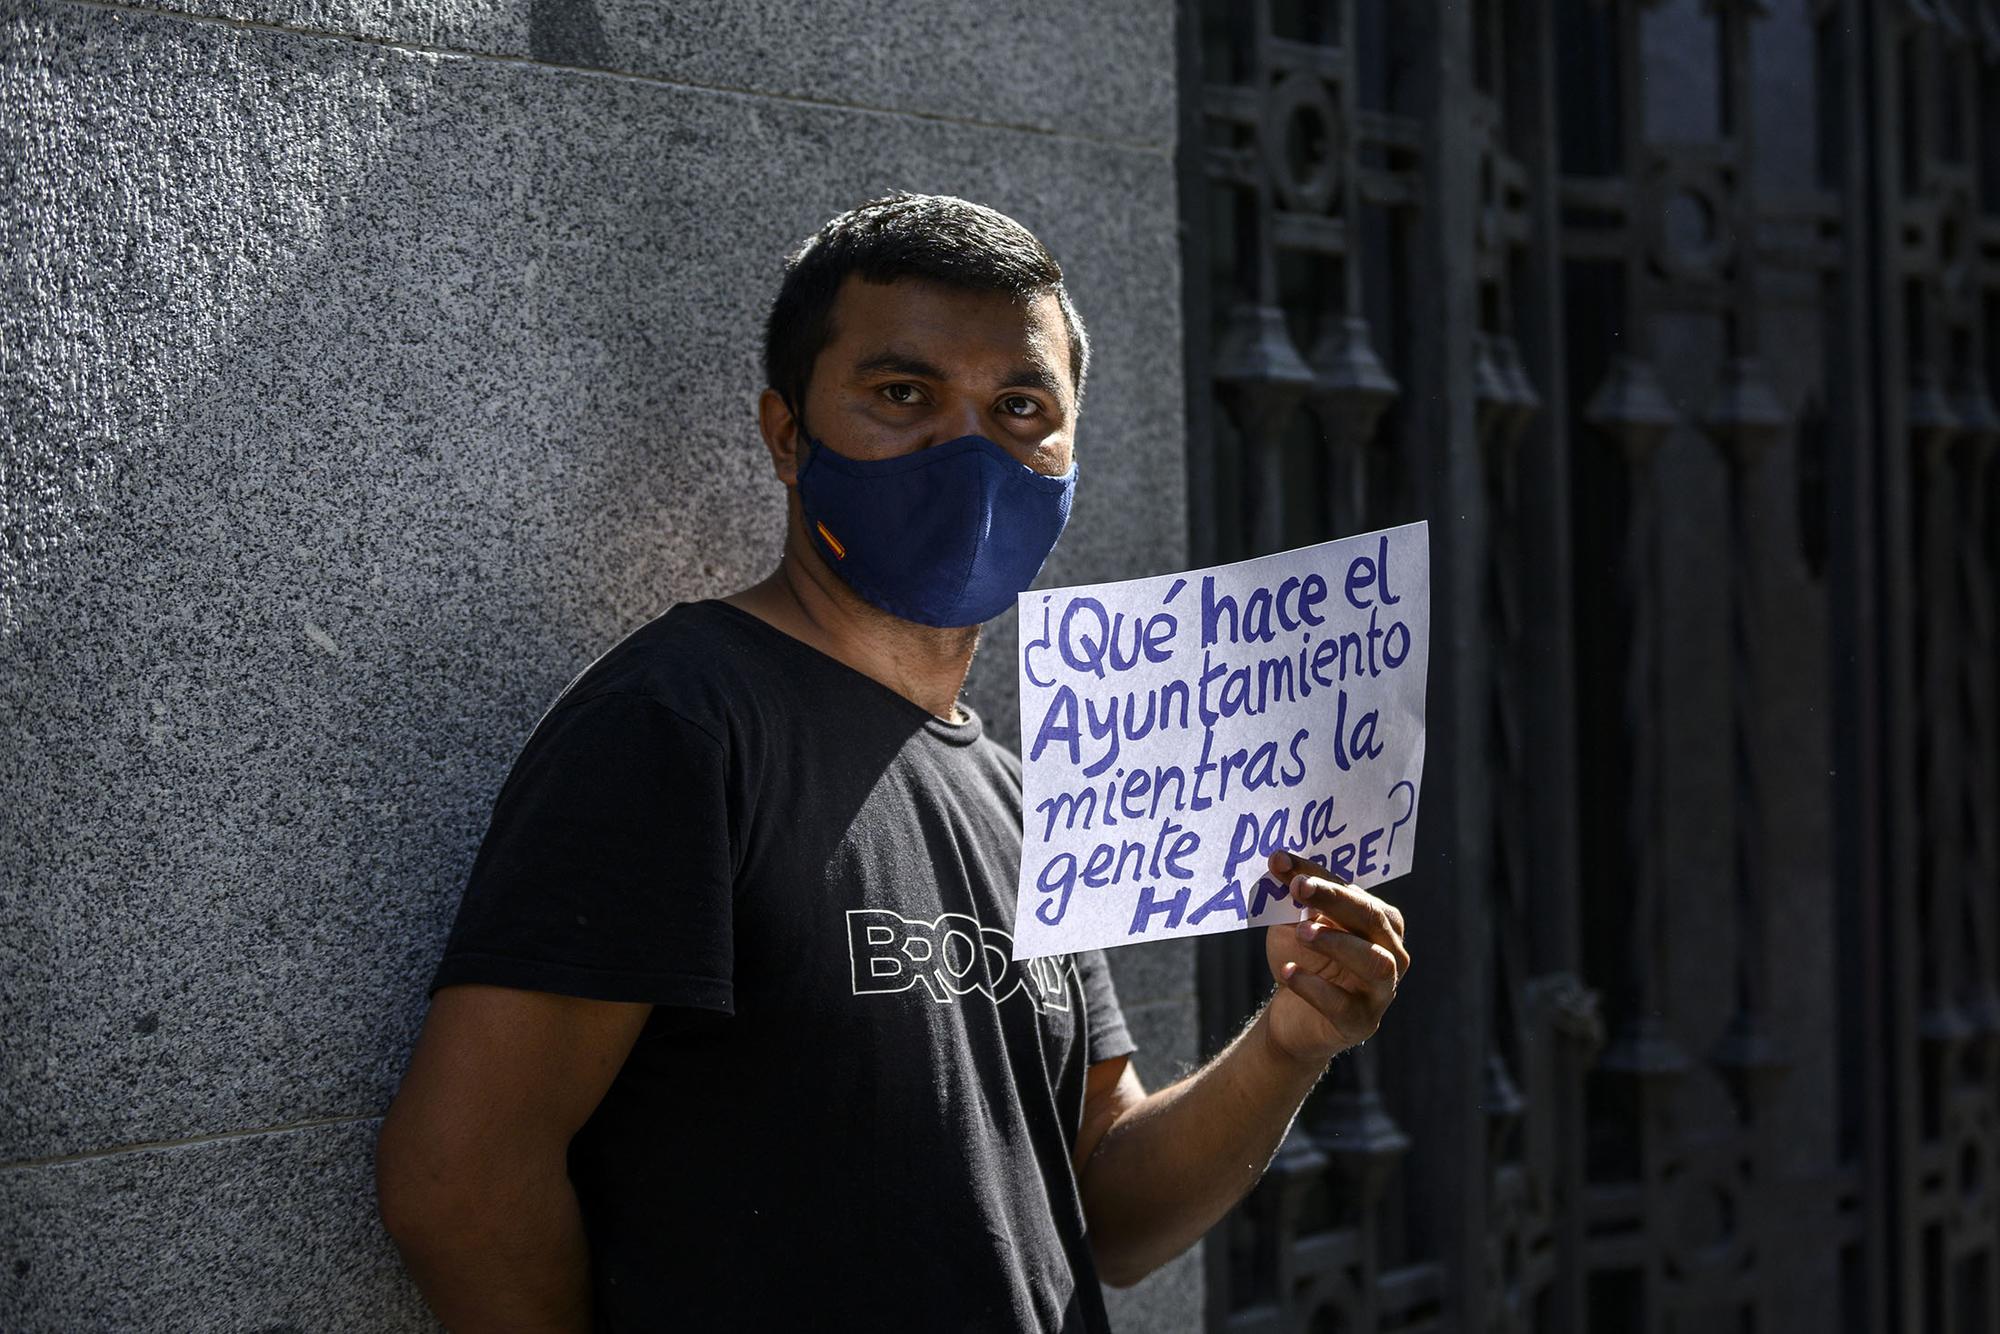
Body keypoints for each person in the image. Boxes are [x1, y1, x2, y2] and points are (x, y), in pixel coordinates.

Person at [374, 191, 1410, 1333]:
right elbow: (458, 1180)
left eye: (1019, 406)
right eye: (903, 394)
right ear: (785, 433)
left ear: (1066, 454)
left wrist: (1287, 1040)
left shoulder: (1021, 798)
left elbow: (1103, 1209)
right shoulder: (680, 720)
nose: (966, 449)